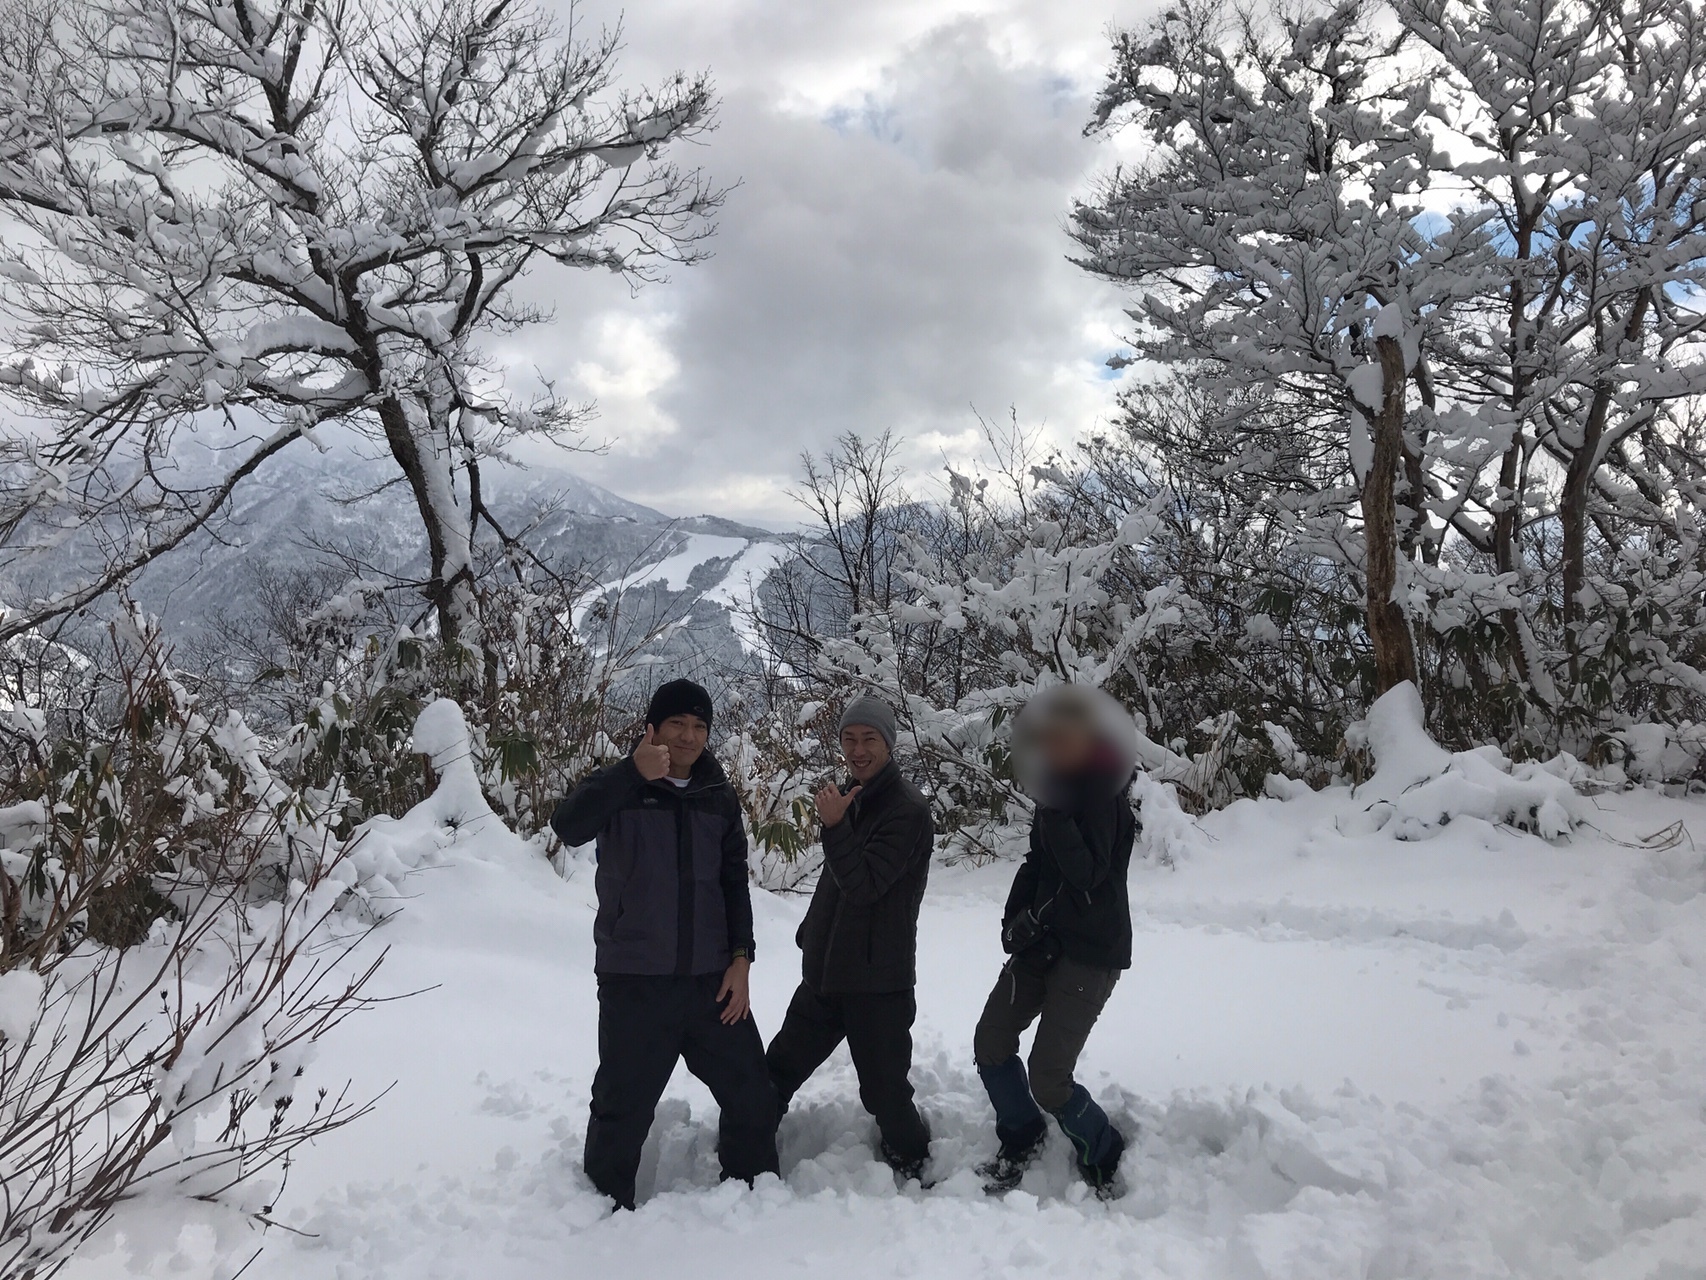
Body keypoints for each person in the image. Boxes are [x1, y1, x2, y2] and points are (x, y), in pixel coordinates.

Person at [551, 678, 778, 1211]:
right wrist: (631, 773)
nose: (689, 736)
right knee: (621, 1106)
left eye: (700, 727)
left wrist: (741, 959)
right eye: (677, 723)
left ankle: (753, 1203)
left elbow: (732, 884)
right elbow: (568, 826)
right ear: (652, 728)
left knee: (752, 1091)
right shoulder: (620, 785)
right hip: (636, 979)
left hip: (709, 981)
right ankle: (601, 1211)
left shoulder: (716, 795)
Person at [972, 685, 1138, 1197]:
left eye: (1069, 737)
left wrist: (1058, 813)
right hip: (1041, 947)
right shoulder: (1055, 795)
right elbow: (1038, 863)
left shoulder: (1103, 800)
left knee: (1050, 1078)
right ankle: (1022, 1133)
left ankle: (1103, 1149)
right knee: (991, 1042)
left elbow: (1086, 875)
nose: (1057, 747)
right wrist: (1013, 917)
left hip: (1090, 954)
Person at [765, 695, 935, 1181]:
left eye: (870, 739)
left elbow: (864, 886)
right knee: (775, 1073)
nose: (858, 750)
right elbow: (835, 884)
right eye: (849, 739)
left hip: (878, 983)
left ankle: (915, 1168)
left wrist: (834, 827)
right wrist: (812, 931)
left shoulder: (907, 811)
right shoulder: (850, 795)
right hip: (826, 975)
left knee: (884, 1094)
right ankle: (746, 1154)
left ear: (889, 743)